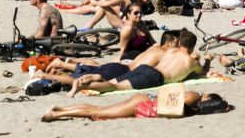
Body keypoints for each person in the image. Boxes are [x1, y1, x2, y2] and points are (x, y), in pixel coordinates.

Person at [69, 30, 211, 96]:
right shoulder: (190, 61)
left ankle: (97, 78)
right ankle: (81, 85)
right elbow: (202, 73)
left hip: (144, 68)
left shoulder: (170, 51)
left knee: (114, 82)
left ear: (179, 43)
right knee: (116, 87)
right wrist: (207, 60)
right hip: (155, 77)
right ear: (192, 47)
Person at [41, 90, 227, 122]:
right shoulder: (194, 97)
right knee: (98, 113)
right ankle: (55, 115)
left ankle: (62, 110)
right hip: (142, 105)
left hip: (142, 101)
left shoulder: (191, 94)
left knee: (100, 110)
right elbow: (173, 107)